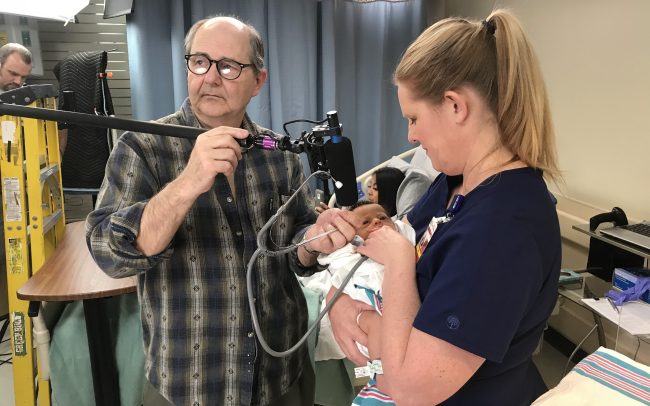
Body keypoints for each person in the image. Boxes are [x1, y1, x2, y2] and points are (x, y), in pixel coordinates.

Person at [86, 16, 359, 406]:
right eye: (200, 61)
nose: (211, 77)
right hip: (188, 382)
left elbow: (296, 244)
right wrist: (186, 183)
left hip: (280, 377)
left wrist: (315, 239)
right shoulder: (142, 147)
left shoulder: (278, 154)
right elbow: (108, 253)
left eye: (229, 66)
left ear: (258, 81)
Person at [327, 9, 562, 405]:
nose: (411, 135)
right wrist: (340, 296)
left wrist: (372, 305)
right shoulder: (454, 185)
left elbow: (408, 386)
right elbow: (386, 244)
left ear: (455, 106)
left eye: (414, 118)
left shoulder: (504, 226)